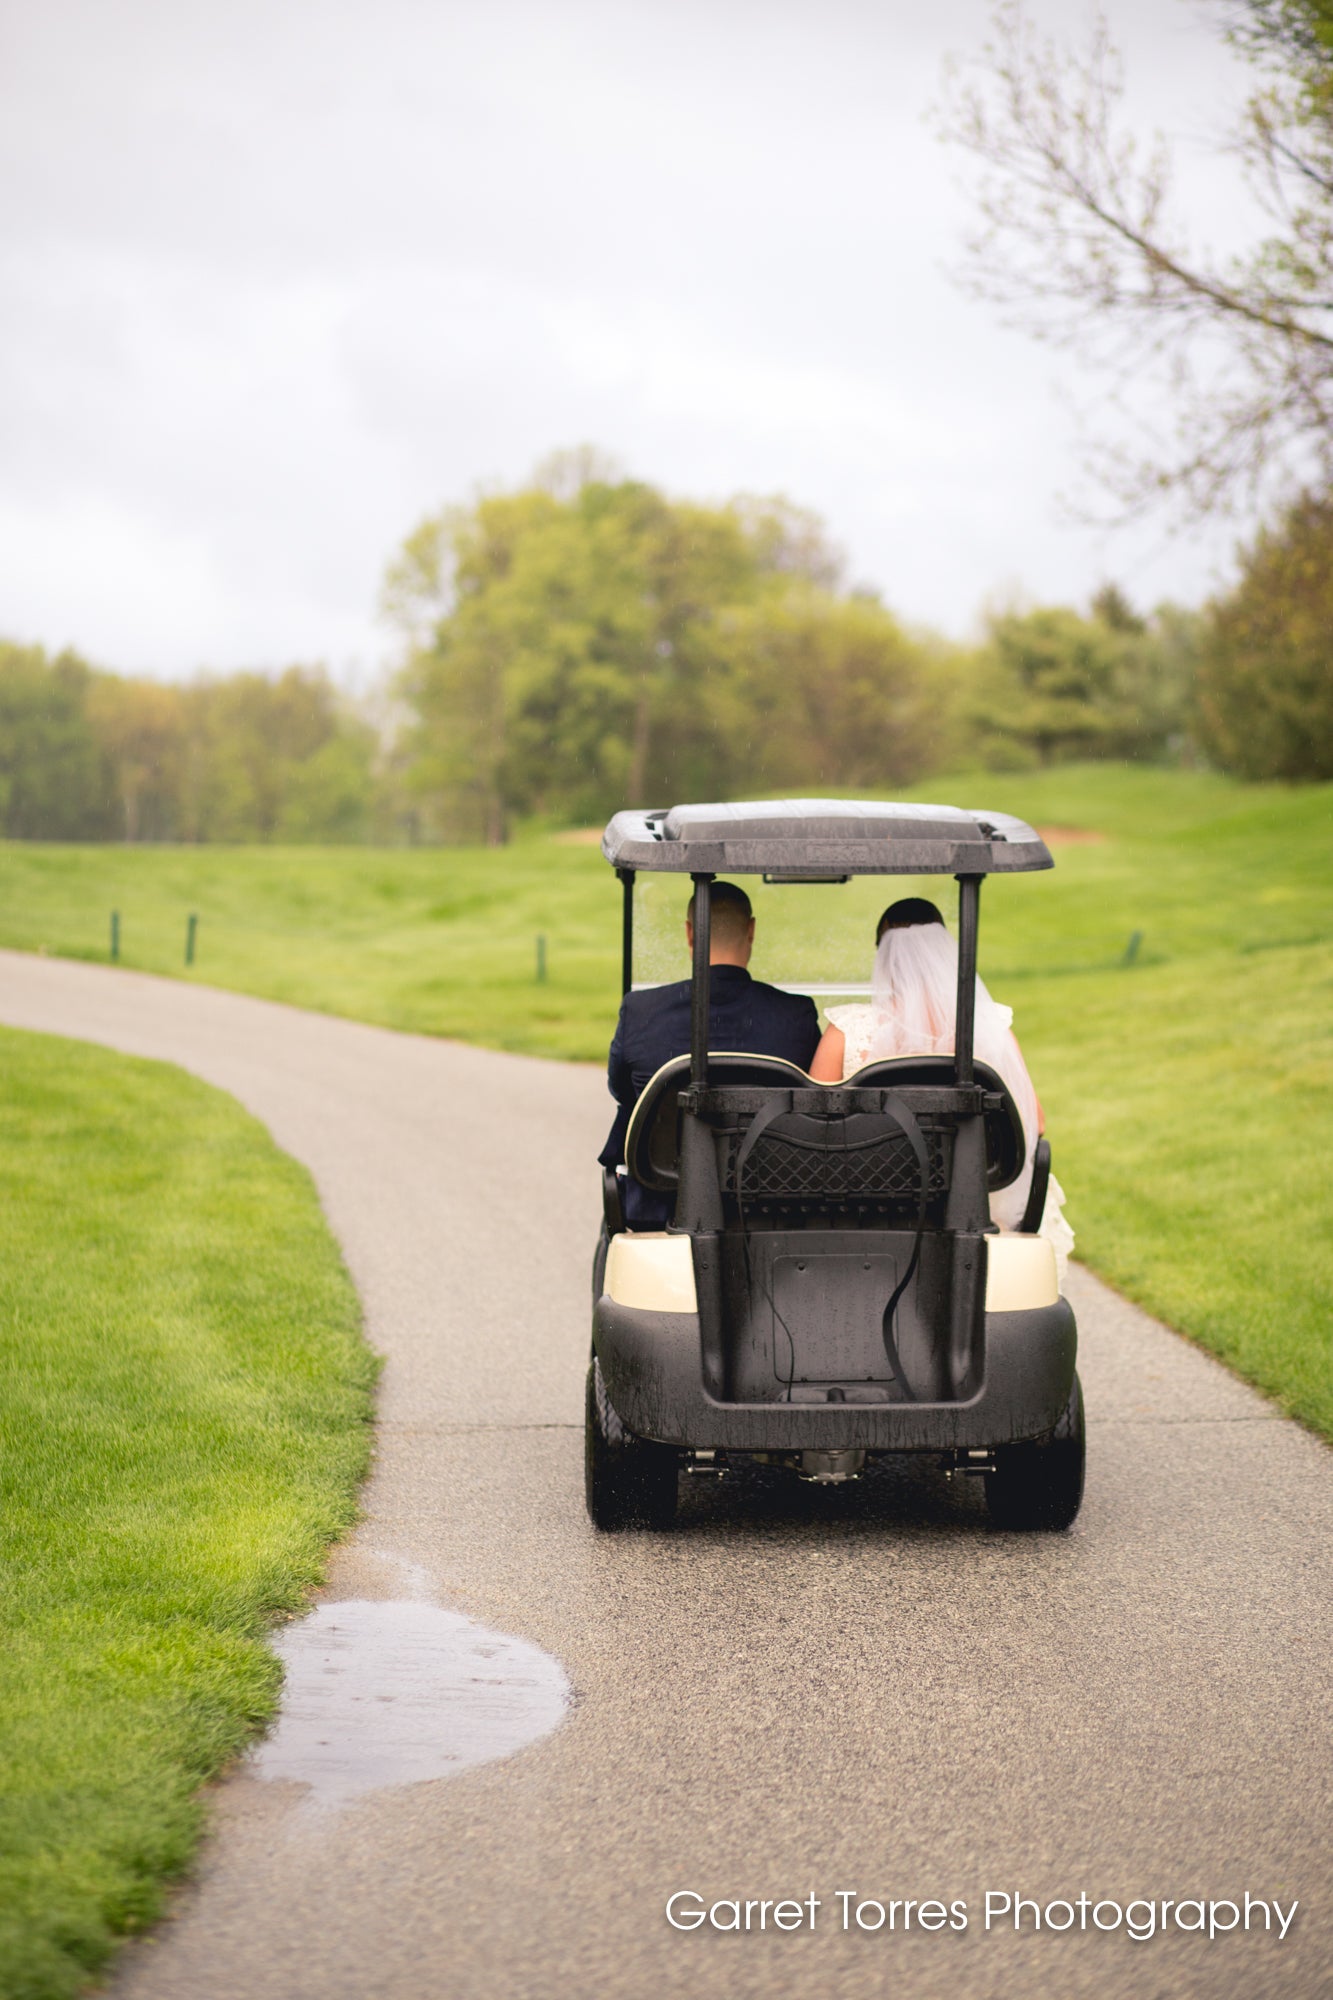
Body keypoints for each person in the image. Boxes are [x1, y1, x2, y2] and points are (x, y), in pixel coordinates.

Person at [809, 896, 1074, 1279]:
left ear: (882, 955)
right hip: (977, 1199)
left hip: (876, 1203)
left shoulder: (849, 1031)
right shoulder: (988, 1026)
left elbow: (812, 1125)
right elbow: (1038, 1122)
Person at [599, 881, 821, 1223]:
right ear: (752, 931)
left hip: (663, 1197)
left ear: (690, 934)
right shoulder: (796, 1015)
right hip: (768, 1198)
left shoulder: (641, 1011)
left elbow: (623, 1091)